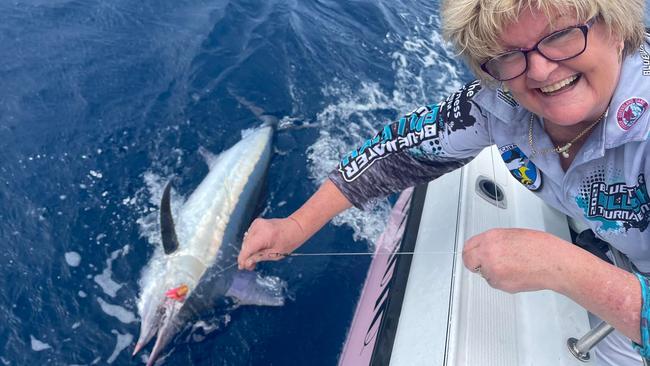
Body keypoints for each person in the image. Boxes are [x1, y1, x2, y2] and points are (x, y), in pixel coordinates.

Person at [237, 0, 650, 364]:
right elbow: (398, 150)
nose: (540, 69)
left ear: (616, 28)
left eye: (560, 36)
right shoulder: (497, 102)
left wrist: (564, 268)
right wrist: (294, 226)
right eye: (509, 55)